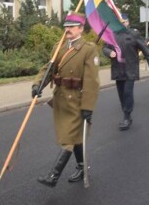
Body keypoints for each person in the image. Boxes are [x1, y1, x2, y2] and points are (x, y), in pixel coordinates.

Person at [31, 12, 99, 187]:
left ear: (80, 29)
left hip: (77, 99)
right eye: (66, 26)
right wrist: (37, 84)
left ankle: (53, 176)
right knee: (73, 135)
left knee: (69, 137)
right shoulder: (59, 47)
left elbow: (92, 81)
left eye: (71, 26)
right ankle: (82, 166)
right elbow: (49, 68)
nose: (67, 29)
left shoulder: (88, 49)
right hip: (61, 98)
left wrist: (88, 107)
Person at [103, 14, 149, 131]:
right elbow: (104, 48)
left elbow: (145, 49)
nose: (122, 24)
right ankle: (126, 111)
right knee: (121, 93)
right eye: (120, 22)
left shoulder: (134, 34)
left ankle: (126, 116)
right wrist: (109, 52)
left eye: (124, 22)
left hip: (130, 68)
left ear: (128, 23)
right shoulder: (112, 34)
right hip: (118, 69)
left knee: (128, 92)